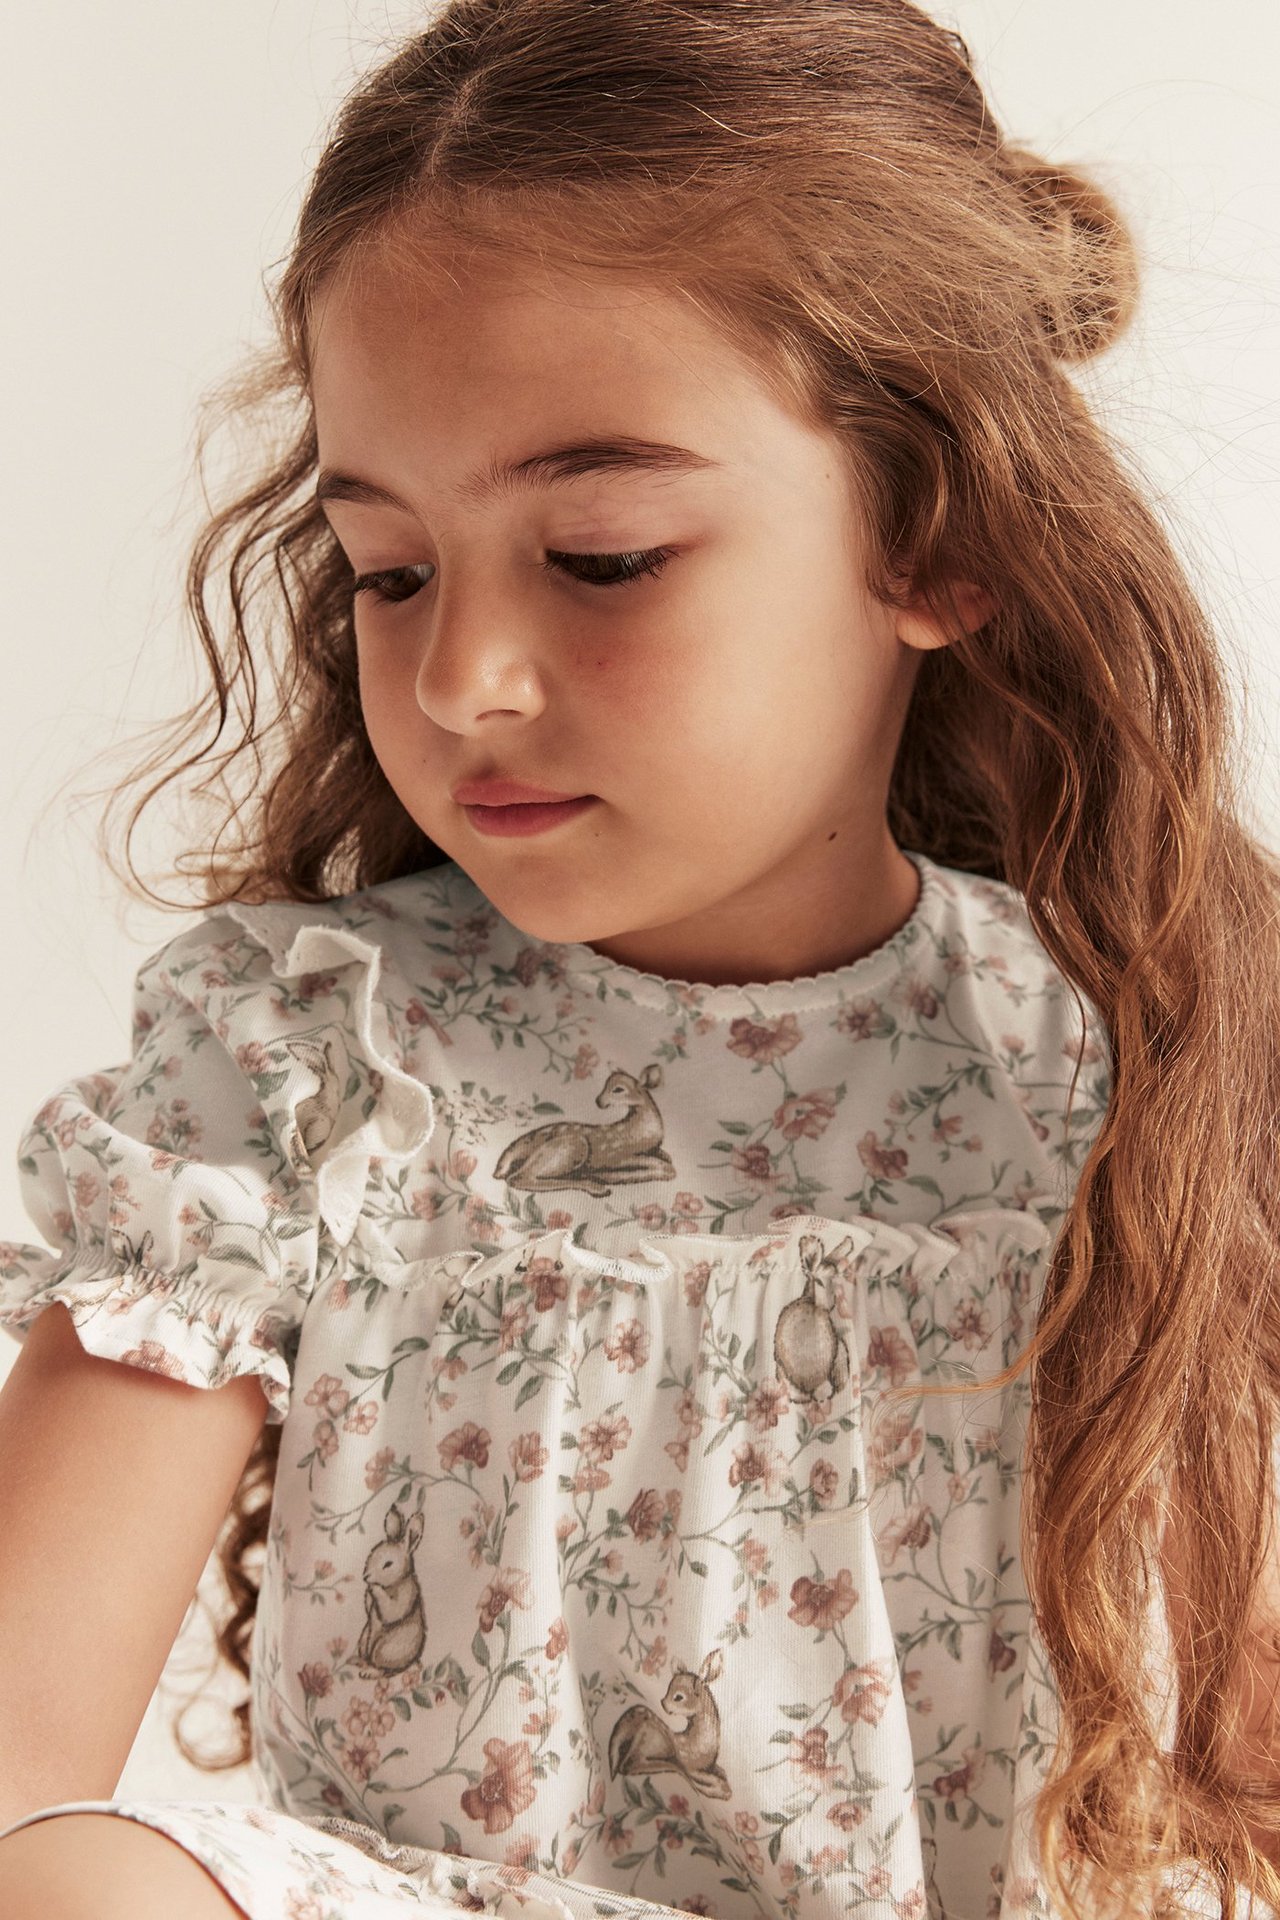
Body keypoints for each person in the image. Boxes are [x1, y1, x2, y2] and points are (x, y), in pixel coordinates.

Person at [1, 1, 1279, 1917]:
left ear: (935, 539)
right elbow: (16, 1772)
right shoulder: (305, 1063)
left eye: (598, 557)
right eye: (392, 568)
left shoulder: (1140, 1064)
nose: (458, 682)